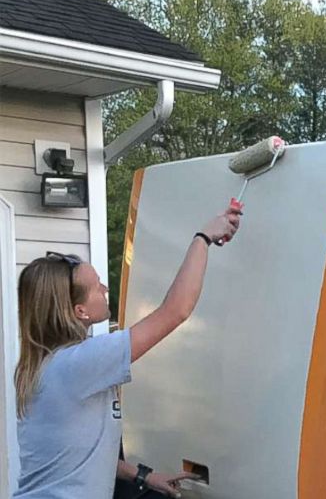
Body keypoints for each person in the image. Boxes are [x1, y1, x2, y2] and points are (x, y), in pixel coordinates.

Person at [13, 205, 242, 498]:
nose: (105, 289)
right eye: (97, 288)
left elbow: (82, 453)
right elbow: (176, 310)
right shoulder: (77, 364)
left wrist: (145, 476)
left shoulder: (52, 364)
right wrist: (203, 237)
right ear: (79, 310)